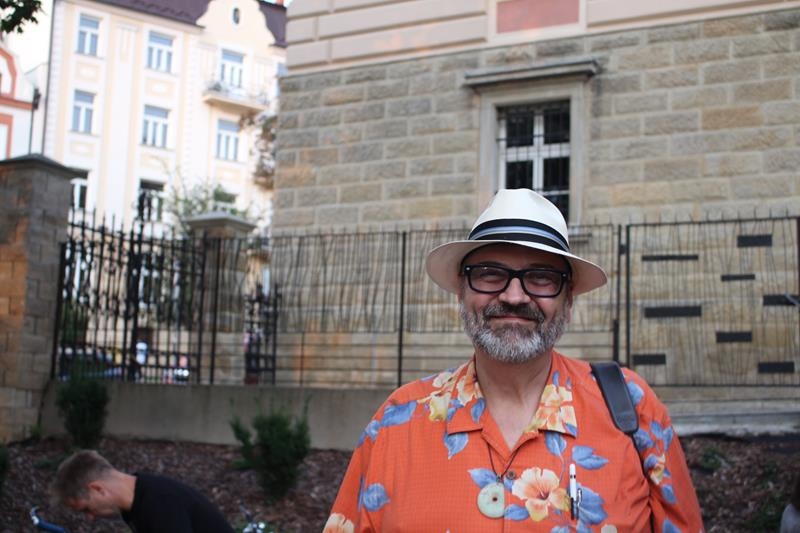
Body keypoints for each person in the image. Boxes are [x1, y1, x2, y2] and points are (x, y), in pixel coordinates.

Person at [326, 189, 704, 532]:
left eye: (541, 277)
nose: (514, 296)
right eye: (490, 274)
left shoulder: (632, 409)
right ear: (461, 291)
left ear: (568, 299)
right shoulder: (398, 421)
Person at [50, 449, 234, 533]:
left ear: (98, 489)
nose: (90, 517)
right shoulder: (136, 502)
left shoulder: (161, 504)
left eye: (86, 509)